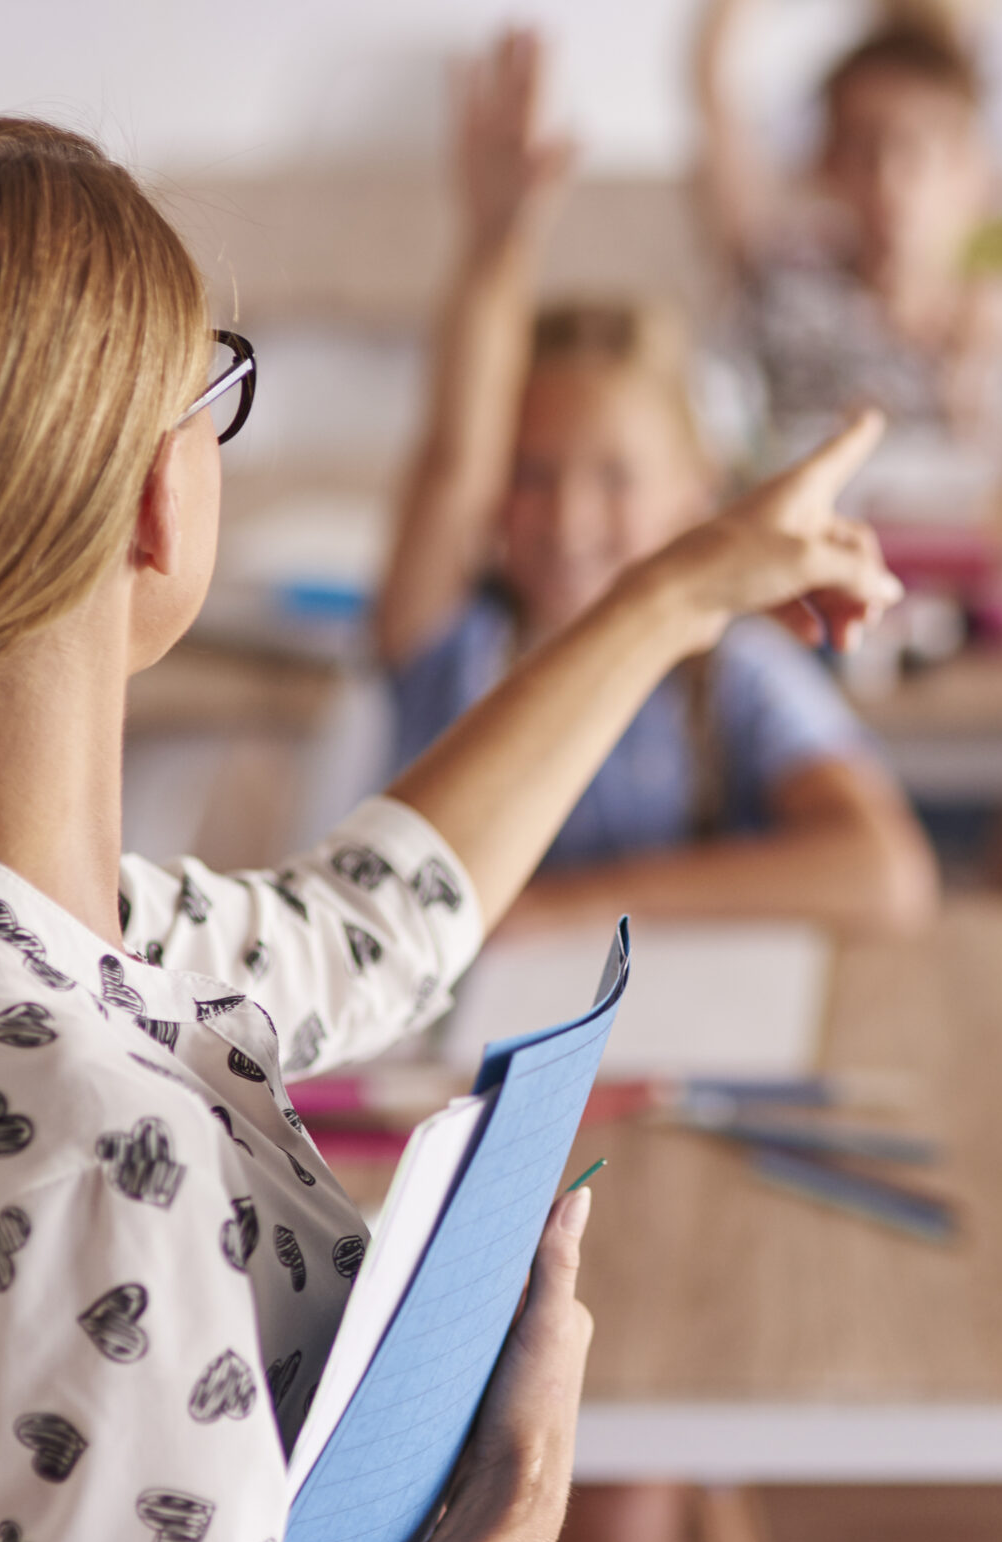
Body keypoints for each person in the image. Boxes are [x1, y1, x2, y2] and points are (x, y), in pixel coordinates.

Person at [0, 114, 899, 1542]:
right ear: (159, 507)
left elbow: (361, 925)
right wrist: (499, 1529)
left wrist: (676, 592)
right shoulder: (105, 1147)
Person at [380, 27, 939, 940]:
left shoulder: (737, 675)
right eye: (528, 473)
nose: (566, 517)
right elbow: (451, 459)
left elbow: (888, 874)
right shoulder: (451, 648)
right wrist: (495, 246)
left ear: (697, 493)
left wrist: (563, 914)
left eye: (615, 478)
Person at [693, 0, 1002, 459]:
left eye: (917, 151)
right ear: (827, 165)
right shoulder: (778, 305)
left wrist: (973, 388)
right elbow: (714, 453)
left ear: (975, 171)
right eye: (863, 150)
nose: (889, 183)